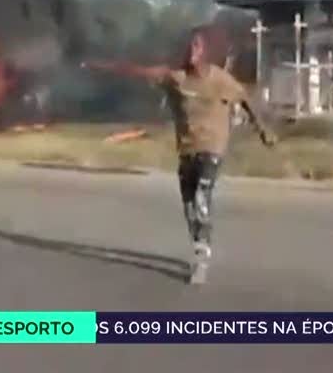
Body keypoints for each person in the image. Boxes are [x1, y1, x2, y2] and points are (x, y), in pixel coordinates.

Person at [82, 26, 277, 284]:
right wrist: (98, 65)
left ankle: (201, 257)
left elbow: (245, 99)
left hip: (213, 147)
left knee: (200, 197)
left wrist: (263, 129)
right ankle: (198, 244)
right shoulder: (176, 78)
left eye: (197, 46)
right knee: (188, 207)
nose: (191, 51)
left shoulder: (220, 80)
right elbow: (136, 70)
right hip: (187, 149)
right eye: (189, 46)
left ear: (207, 51)